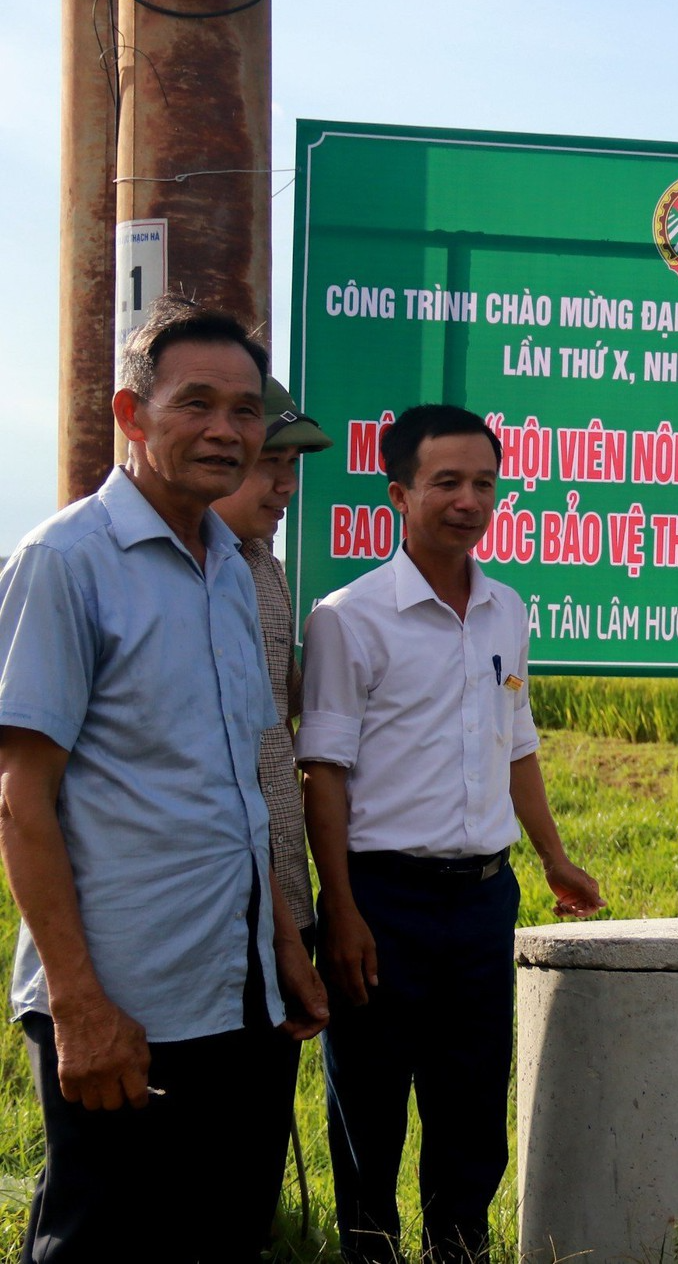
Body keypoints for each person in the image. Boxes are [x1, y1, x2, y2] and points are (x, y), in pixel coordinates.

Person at [0, 297, 327, 1262]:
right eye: (196, 404)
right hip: (126, 1002)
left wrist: (286, 948)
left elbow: (240, 793)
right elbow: (21, 802)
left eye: (244, 411)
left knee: (224, 1235)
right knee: (102, 1245)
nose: (227, 431)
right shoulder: (66, 563)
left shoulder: (232, 568)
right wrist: (79, 1006)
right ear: (131, 415)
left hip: (242, 996)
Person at [297, 403, 605, 1264]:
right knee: (369, 1101)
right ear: (400, 492)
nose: (467, 501)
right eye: (446, 483)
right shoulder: (348, 618)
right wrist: (343, 909)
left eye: (483, 484)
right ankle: (369, 1246)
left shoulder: (506, 609)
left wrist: (553, 858)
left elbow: (520, 744)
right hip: (382, 900)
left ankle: (458, 1247)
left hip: (481, 898)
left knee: (471, 1098)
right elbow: (324, 772)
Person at [210, 377, 335, 1230]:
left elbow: (277, 730)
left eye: (293, 464)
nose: (286, 485)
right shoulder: (167, 574)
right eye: (271, 463)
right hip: (207, 913)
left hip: (280, 895)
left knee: (248, 1148)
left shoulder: (265, 571)